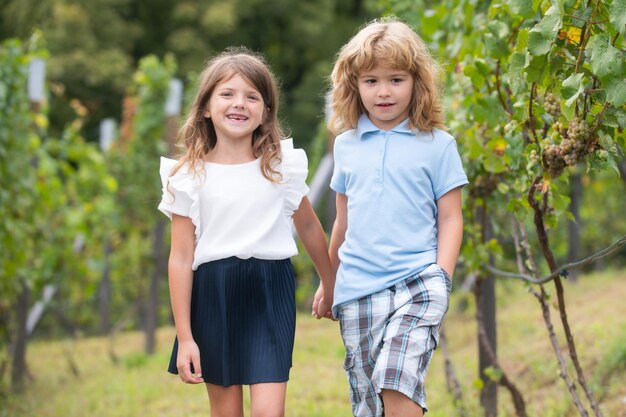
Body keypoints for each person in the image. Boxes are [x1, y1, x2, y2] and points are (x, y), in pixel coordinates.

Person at [158, 47, 334, 417]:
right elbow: (180, 257)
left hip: (271, 291)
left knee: (270, 412)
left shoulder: (281, 167)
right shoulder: (188, 176)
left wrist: (329, 283)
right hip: (213, 293)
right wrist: (186, 336)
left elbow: (308, 226)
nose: (240, 104)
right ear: (206, 106)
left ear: (266, 112)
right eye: (227, 94)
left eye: (252, 96)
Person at [318, 17, 468, 417]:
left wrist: (441, 276)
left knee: (396, 379)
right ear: (355, 86)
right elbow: (342, 222)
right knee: (370, 402)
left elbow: (451, 218)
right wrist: (329, 283)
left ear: (417, 82)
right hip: (357, 291)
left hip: (418, 283)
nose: (383, 92)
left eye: (396, 79)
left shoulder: (438, 145)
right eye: (371, 81)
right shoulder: (346, 147)